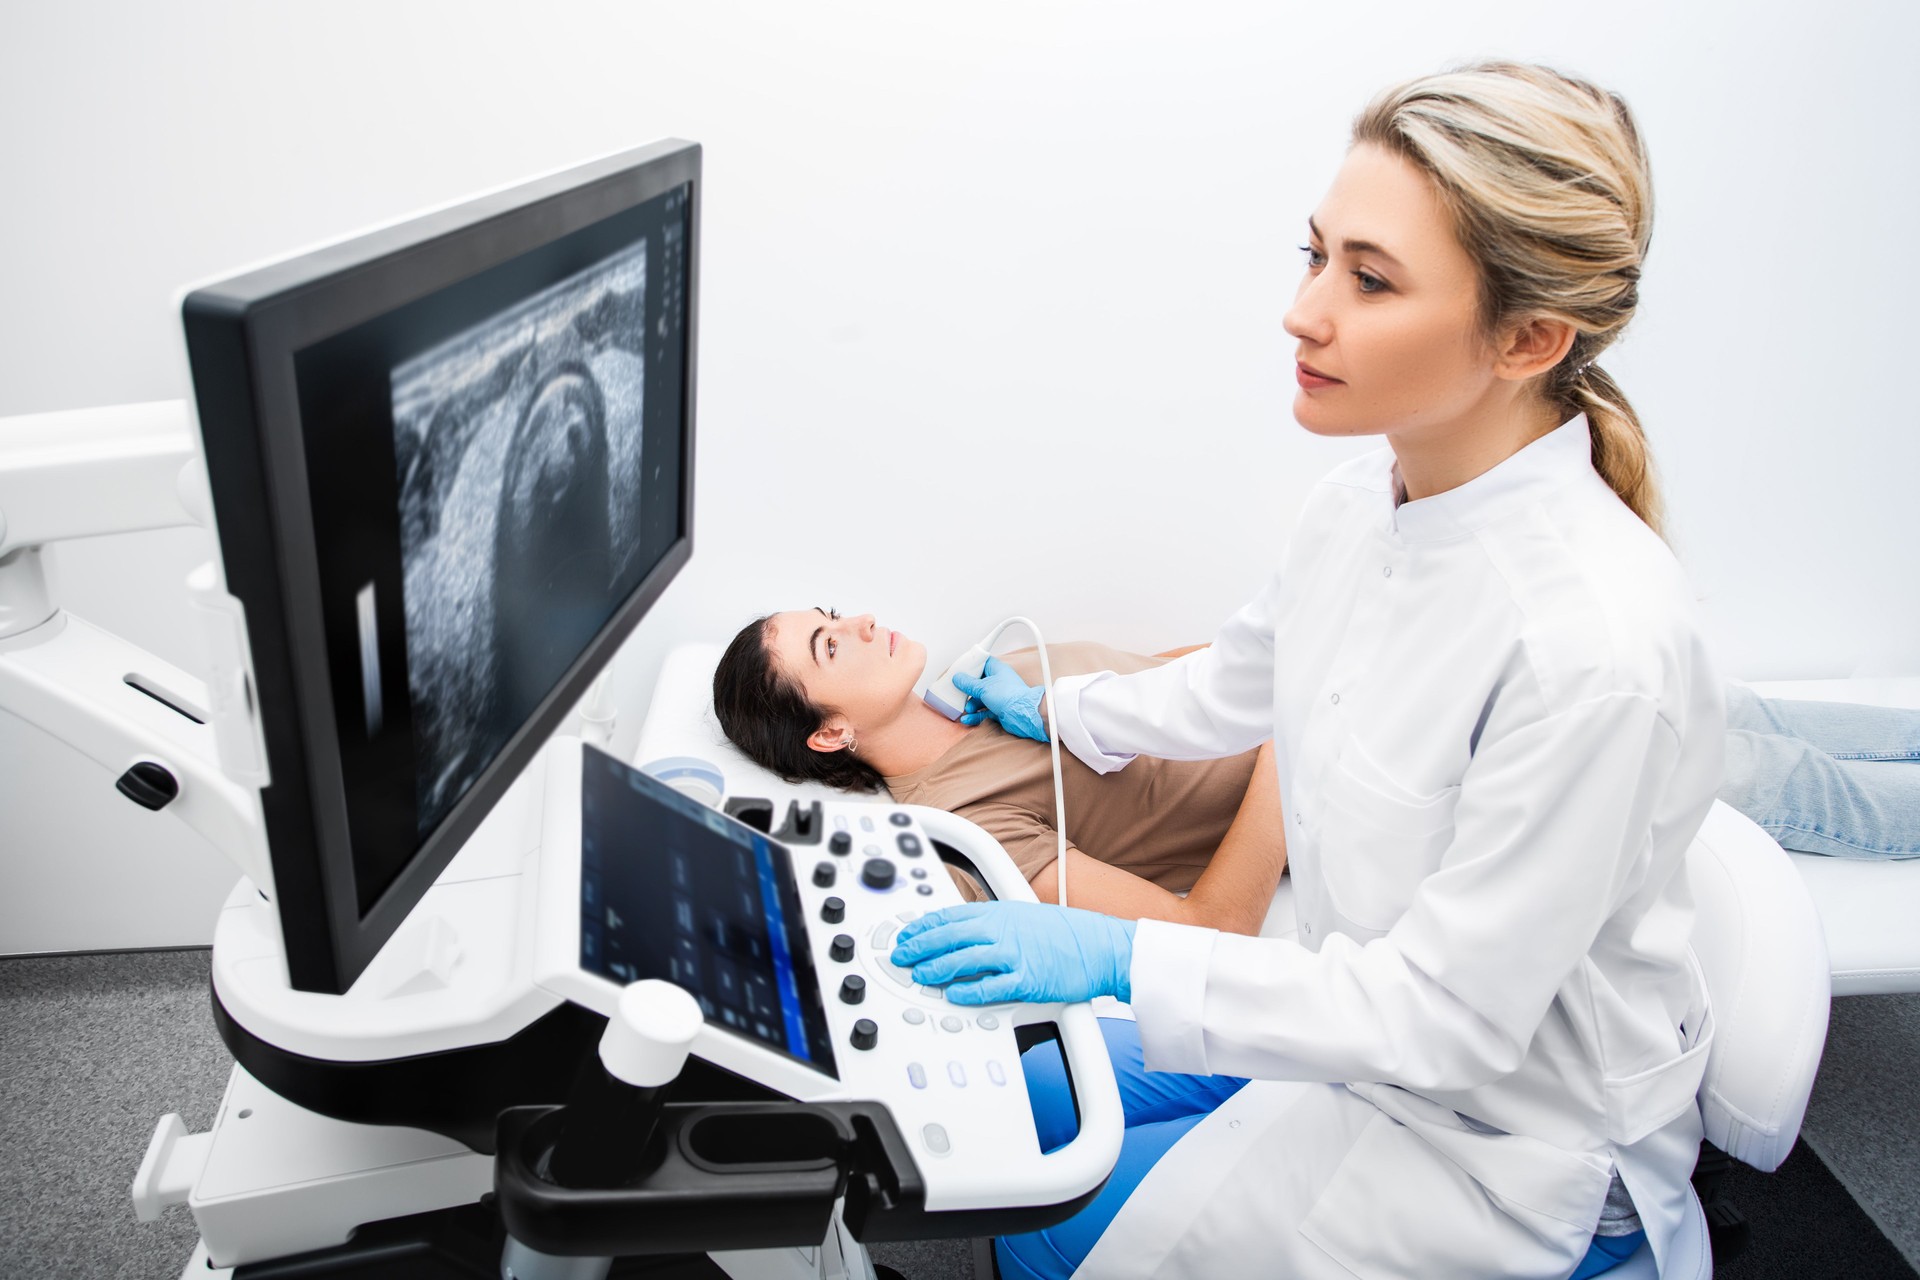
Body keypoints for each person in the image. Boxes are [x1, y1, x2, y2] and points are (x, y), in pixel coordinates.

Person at [891, 62, 1723, 1280]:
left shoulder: (1590, 647)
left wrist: (1124, 957)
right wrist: (1058, 712)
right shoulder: (1361, 502)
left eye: (1369, 278)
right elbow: (1236, 683)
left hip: (1497, 1144)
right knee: (1028, 1095)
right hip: (1353, 1030)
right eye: (1315, 253)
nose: (1304, 311)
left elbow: (1445, 1017)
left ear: (1529, 337)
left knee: (1046, 1214)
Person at [713, 621, 1289, 934]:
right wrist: (1286, 736)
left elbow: (1171, 672)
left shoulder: (989, 678)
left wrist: (1285, 666)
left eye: (833, 615)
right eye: (831, 646)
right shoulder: (968, 827)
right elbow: (1213, 927)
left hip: (1322, 687)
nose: (862, 622)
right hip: (1332, 780)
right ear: (831, 733)